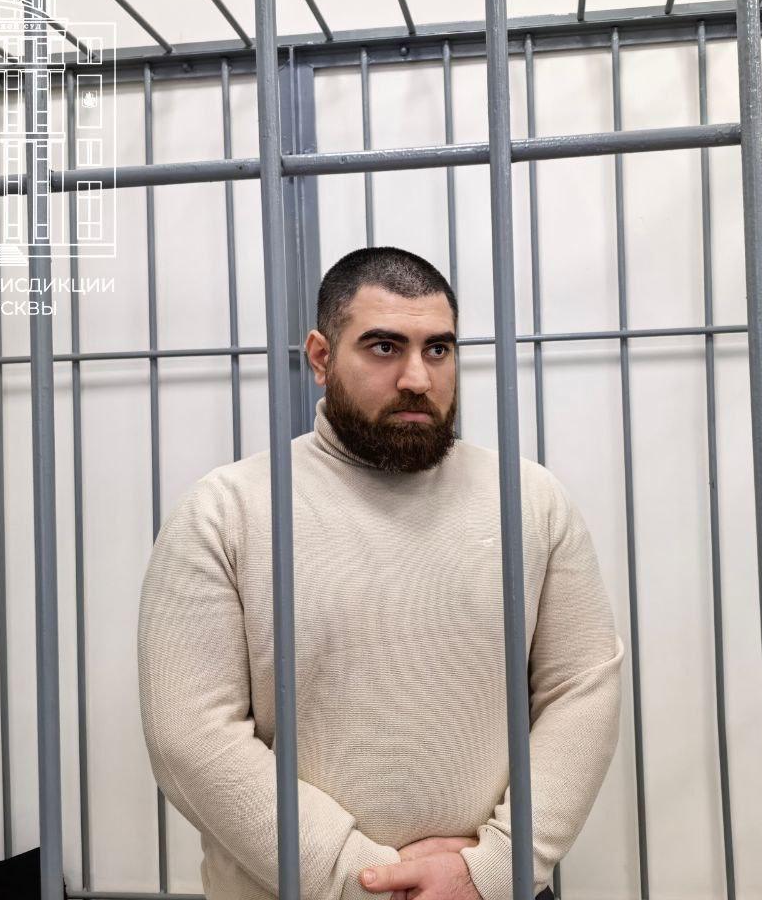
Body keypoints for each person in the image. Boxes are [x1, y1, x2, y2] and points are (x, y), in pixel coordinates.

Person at [137, 246, 624, 900]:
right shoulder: (224, 511)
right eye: (385, 347)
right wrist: (364, 882)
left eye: (438, 349)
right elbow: (190, 738)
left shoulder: (530, 499)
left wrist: (491, 870)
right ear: (320, 358)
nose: (418, 378)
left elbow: (581, 688)